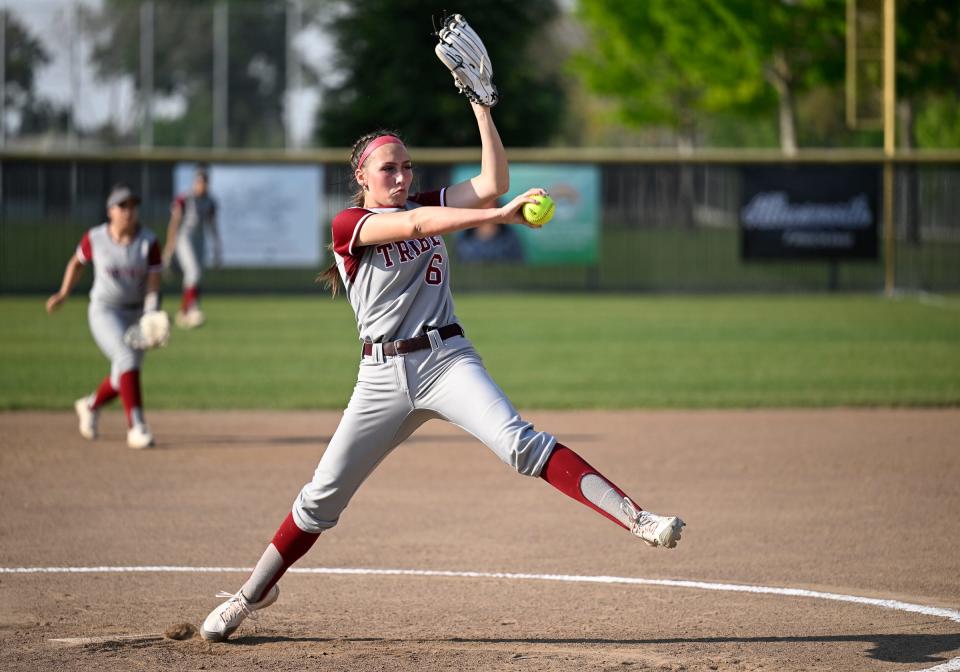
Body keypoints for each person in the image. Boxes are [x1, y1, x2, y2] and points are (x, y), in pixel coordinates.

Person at [199, 102, 685, 642]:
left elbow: (492, 181)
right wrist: (496, 218)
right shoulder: (351, 224)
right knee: (321, 498)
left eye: (407, 167)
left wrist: (482, 106)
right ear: (361, 175)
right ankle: (252, 594)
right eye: (390, 169)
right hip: (382, 376)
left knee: (520, 443)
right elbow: (416, 223)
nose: (403, 177)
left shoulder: (421, 200)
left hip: (448, 361)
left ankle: (637, 518)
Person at [46, 184, 161, 449]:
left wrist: (151, 314)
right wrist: (63, 293)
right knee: (125, 358)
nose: (129, 212)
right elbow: (76, 263)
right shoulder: (95, 238)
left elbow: (154, 282)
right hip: (104, 310)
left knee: (123, 374)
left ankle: (90, 405)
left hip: (136, 313)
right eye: (123, 206)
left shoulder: (148, 241)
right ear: (110, 211)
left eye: (133, 206)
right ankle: (137, 426)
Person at [162, 165, 221, 329]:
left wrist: (217, 248)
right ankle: (191, 309)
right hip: (184, 237)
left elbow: (213, 226)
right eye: (199, 182)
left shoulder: (210, 200)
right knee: (193, 271)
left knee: (197, 274)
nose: (202, 185)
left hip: (200, 239)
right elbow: (174, 223)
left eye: (205, 182)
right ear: (195, 182)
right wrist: (169, 248)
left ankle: (184, 312)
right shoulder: (185, 198)